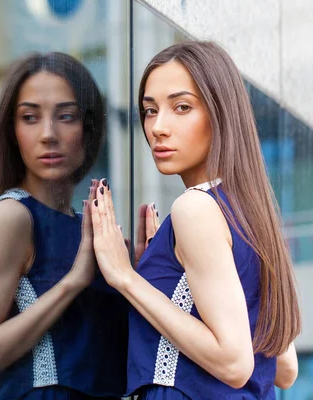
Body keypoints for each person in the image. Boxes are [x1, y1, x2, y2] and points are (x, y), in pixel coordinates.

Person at [89, 41, 301, 399]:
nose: (158, 127)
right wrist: (168, 281)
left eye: (181, 107)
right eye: (150, 110)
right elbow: (284, 368)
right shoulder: (250, 212)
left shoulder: (195, 208)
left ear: (220, 114)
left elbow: (235, 364)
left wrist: (124, 277)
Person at [0, 52, 128, 400]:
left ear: (88, 129)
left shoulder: (91, 227)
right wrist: (72, 283)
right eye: (30, 117)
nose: (48, 134)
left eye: (65, 116)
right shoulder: (13, 217)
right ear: (13, 132)